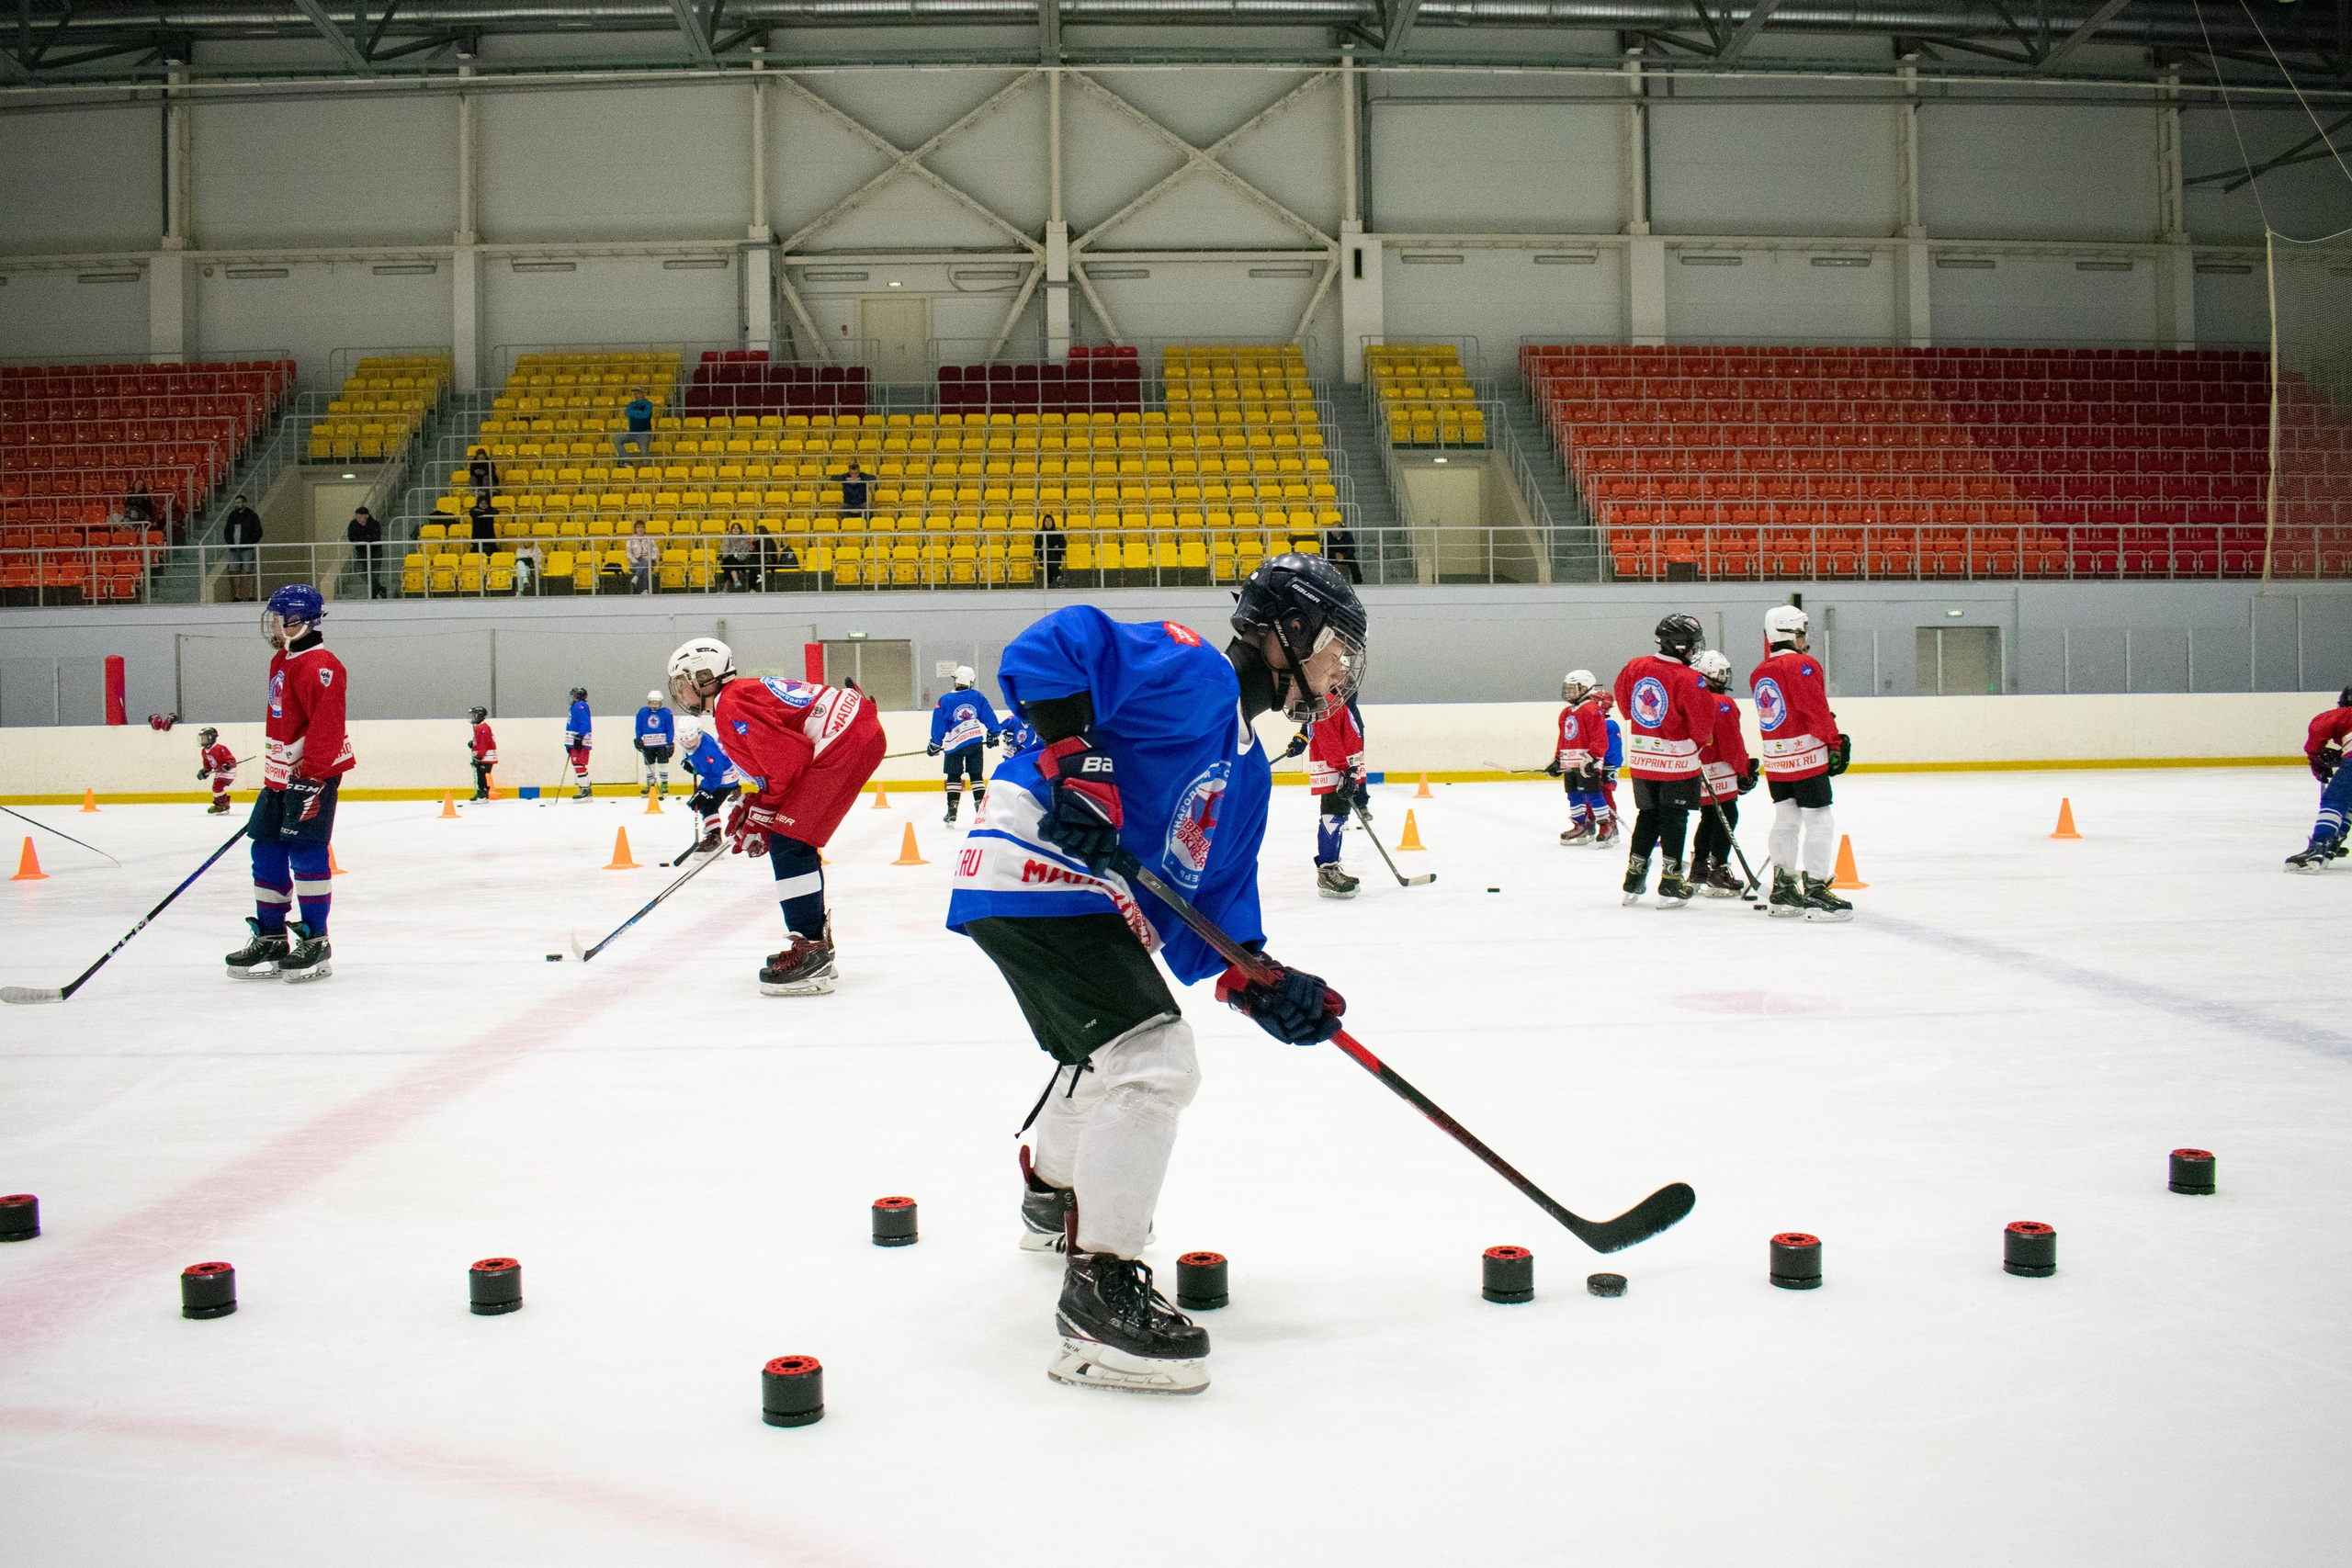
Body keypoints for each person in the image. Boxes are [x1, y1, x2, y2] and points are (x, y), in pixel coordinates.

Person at [945, 555, 1366, 1397]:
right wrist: (1075, 758)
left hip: (1074, 893)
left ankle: (1052, 1194)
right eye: (1335, 652)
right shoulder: (1196, 669)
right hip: (1037, 860)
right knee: (1155, 1059)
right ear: (1289, 635)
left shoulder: (1247, 771)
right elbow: (1052, 646)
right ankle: (1100, 1293)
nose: (1340, 675)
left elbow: (1206, 918)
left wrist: (1266, 981)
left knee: (1105, 1053)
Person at [665, 637, 888, 995]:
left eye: (683, 683)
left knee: (790, 842)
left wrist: (765, 813)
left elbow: (790, 762)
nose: (682, 694)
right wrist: (752, 805)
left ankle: (812, 953)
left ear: (705, 676)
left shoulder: (730, 706)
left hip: (845, 739)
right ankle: (815, 945)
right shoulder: (736, 697)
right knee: (791, 840)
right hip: (851, 731)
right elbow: (769, 767)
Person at [223, 584, 354, 983]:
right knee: (265, 848)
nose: (274, 625)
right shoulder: (282, 659)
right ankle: (272, 936)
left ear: (302, 621)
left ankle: (316, 939)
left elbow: (327, 726)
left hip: (311, 778)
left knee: (307, 851)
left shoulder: (322, 665)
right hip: (278, 777)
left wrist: (312, 778)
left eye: (281, 618)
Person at [1750, 604, 1852, 919]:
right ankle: (1817, 889)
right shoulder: (1803, 665)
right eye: (1802, 632)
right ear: (1791, 634)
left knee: (1786, 819)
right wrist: (1833, 742)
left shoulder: (1759, 671)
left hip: (1776, 760)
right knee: (1820, 819)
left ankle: (1782, 889)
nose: (1805, 638)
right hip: (1805, 756)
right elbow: (1814, 709)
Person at [1612, 613, 1717, 908]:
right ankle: (1671, 881)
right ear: (1680, 645)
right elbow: (1701, 725)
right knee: (1674, 818)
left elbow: (1626, 705)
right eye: (1693, 644)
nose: (1696, 650)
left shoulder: (1635, 666)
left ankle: (1634, 878)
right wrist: (1695, 746)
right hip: (1677, 762)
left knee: (1648, 815)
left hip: (1643, 759)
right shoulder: (1690, 678)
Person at [1689, 649, 1759, 897]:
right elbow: (1731, 742)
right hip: (1719, 770)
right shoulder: (1723, 703)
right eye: (1721, 673)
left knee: (1708, 818)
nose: (1724, 677)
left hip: (1695, 769)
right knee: (1727, 815)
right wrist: (1743, 769)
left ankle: (1698, 870)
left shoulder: (1691, 697)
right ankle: (1717, 870)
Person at [1284, 695, 1367, 898]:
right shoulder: (1326, 702)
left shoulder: (1334, 700)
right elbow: (1329, 740)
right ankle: (1326, 872)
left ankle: (1331, 867)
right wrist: (1344, 769)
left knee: (1338, 816)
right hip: (1337, 768)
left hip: (1343, 766)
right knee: (1332, 816)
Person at [928, 666, 1002, 827]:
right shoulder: (977, 696)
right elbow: (988, 716)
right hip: (974, 742)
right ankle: (981, 812)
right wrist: (993, 733)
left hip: (954, 744)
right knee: (976, 776)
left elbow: (939, 723)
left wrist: (935, 742)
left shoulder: (945, 700)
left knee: (954, 776)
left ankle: (952, 813)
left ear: (956, 680)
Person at [2287, 687, 2352, 872]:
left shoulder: (2343, 714)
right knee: (2349, 800)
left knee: (2335, 799)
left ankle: (2320, 844)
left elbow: (2317, 732)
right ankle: (2336, 838)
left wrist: (2317, 763)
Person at [1546, 669, 1606, 846]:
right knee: (1573, 795)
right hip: (1569, 762)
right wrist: (1558, 759)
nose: (1570, 692)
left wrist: (1593, 758)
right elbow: (1563, 738)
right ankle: (1580, 825)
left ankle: (1605, 826)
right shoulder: (1566, 713)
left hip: (1586, 762)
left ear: (1586, 688)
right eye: (1569, 688)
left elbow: (1599, 737)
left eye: (1574, 688)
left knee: (1593, 794)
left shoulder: (1592, 709)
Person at [678, 715, 744, 856]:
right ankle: (713, 835)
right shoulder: (695, 741)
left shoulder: (709, 751)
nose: (688, 744)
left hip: (725, 778)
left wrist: (703, 791)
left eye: (690, 740)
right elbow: (694, 756)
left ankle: (714, 838)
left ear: (698, 733)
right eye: (685, 741)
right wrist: (690, 763)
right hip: (717, 775)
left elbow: (715, 775)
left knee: (708, 805)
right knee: (706, 805)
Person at [634, 688, 676, 797]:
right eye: (652, 702)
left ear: (660, 702)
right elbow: (639, 726)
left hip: (662, 743)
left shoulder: (666, 713)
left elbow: (670, 728)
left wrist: (670, 742)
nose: (654, 704)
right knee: (649, 764)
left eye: (656, 702)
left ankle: (664, 784)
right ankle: (650, 784)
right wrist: (638, 738)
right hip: (648, 743)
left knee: (663, 763)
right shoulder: (643, 712)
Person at [222, 494, 263, 604]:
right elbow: (227, 530)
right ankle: (237, 595)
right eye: (236, 503)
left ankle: (250, 594)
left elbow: (258, 531)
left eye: (239, 503)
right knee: (234, 571)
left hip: (247, 547)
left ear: (244, 503)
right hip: (234, 548)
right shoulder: (232, 515)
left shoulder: (252, 515)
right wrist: (229, 541)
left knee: (248, 571)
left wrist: (250, 541)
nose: (237, 505)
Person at [1596, 690, 1623, 846]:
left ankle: (1612, 825)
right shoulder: (1594, 723)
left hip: (1607, 766)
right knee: (1589, 795)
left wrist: (1609, 771)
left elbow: (1613, 750)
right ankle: (1592, 825)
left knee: (1605, 794)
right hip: (1596, 765)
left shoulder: (1610, 725)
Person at [197, 726, 237, 816]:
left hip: (228, 771)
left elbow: (231, 760)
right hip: (219, 771)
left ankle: (224, 805)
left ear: (211, 738)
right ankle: (221, 804)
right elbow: (207, 763)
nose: (202, 740)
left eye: (204, 738)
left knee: (217, 786)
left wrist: (228, 764)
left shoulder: (220, 748)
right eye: (202, 738)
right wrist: (205, 771)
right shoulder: (204, 751)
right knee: (215, 787)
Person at [345, 506, 384, 599]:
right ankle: (379, 588)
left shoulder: (374, 524)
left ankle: (374, 593)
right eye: (357, 517)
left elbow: (375, 537)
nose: (358, 519)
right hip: (361, 551)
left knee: (375, 573)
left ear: (366, 516)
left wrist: (361, 538)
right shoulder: (353, 524)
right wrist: (365, 538)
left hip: (375, 551)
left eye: (360, 517)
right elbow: (351, 537)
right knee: (360, 570)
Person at [564, 686, 594, 802]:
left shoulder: (580, 706)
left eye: (574, 695)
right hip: (574, 741)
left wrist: (580, 737)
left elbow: (585, 722)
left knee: (579, 764)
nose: (572, 697)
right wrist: (568, 743)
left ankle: (585, 790)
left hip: (580, 741)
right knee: (577, 764)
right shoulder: (574, 707)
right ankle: (584, 788)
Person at [615, 386, 655, 465]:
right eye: (635, 393)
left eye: (638, 393)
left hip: (644, 433)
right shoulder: (632, 404)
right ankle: (627, 460)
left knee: (644, 453)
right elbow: (627, 413)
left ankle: (645, 471)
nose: (636, 395)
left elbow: (645, 415)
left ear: (643, 394)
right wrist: (639, 413)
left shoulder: (648, 404)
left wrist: (634, 414)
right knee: (618, 439)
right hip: (632, 433)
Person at [468, 705, 498, 802]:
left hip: (486, 757)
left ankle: (483, 795)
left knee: (481, 774)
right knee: (480, 774)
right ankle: (481, 793)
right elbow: (480, 741)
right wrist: (473, 743)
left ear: (479, 716)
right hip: (483, 756)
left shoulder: (483, 728)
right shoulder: (479, 727)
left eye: (474, 716)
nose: (472, 718)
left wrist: (479, 757)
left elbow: (484, 743)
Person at [719, 522, 760, 593]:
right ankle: (736, 580)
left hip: (740, 562)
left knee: (729, 566)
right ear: (731, 530)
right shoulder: (726, 540)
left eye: (737, 528)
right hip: (728, 561)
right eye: (734, 528)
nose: (735, 529)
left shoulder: (744, 541)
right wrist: (734, 553)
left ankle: (725, 588)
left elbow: (744, 555)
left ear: (740, 530)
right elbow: (725, 554)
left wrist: (735, 555)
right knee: (730, 560)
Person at [829, 459, 873, 525]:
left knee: (869, 508)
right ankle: (848, 521)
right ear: (849, 472)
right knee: (839, 509)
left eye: (856, 473)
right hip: (848, 503)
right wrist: (845, 479)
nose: (854, 476)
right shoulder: (845, 476)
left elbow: (873, 477)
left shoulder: (862, 476)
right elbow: (832, 478)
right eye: (852, 474)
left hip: (861, 503)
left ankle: (862, 523)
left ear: (859, 471)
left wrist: (861, 479)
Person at [625, 519, 660, 593]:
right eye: (638, 527)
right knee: (644, 569)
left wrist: (649, 558)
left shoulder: (650, 539)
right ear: (635, 529)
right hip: (635, 563)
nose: (640, 529)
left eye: (642, 527)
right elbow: (628, 553)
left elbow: (655, 551)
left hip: (649, 561)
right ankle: (644, 590)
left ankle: (636, 577)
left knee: (645, 562)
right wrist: (635, 561)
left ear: (644, 529)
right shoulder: (630, 540)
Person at [1324, 522, 1363, 586]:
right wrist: (1335, 554)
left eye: (1335, 531)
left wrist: (1344, 555)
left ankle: (1358, 581)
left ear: (1340, 530)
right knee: (1325, 562)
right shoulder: (1327, 535)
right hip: (1332, 556)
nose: (1332, 532)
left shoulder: (1348, 535)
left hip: (1345, 556)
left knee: (1353, 561)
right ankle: (1326, 582)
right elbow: (1324, 550)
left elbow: (1352, 549)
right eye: (1332, 530)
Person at [1036, 512, 1065, 589]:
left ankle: (1048, 583)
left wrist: (1058, 546)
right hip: (1043, 558)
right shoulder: (1039, 534)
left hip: (1056, 557)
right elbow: (1036, 549)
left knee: (1049, 561)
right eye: (1046, 521)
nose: (1048, 522)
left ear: (1052, 522)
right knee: (1048, 554)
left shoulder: (1058, 534)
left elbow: (1063, 546)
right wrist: (1042, 547)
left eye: (1049, 520)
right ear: (1043, 523)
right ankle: (1058, 577)